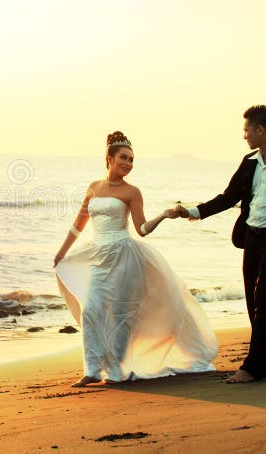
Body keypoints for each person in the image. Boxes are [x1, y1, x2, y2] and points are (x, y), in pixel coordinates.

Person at [53, 131, 218, 386]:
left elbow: (141, 229)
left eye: (131, 160)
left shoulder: (132, 192)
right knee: (91, 310)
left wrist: (163, 215)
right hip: (97, 255)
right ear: (109, 158)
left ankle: (117, 371)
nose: (128, 164)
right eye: (123, 158)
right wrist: (62, 252)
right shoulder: (93, 188)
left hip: (123, 256)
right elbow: (78, 224)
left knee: (120, 314)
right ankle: (93, 369)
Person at [175, 105, 266, 384]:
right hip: (251, 238)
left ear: (260, 130)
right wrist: (193, 212)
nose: (244, 136)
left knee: (263, 300)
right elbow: (229, 197)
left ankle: (251, 367)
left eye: (247, 130)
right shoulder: (249, 162)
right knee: (255, 304)